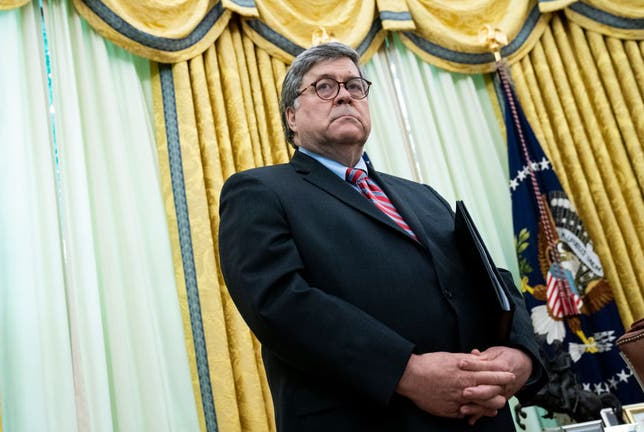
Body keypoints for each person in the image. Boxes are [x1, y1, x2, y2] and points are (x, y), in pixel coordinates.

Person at [218, 42, 545, 431]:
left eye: (355, 86)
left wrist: (520, 355)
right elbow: (279, 303)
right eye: (324, 86)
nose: (343, 94)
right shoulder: (258, 190)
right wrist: (407, 372)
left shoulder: (422, 195)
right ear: (291, 116)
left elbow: (494, 280)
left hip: (479, 418)